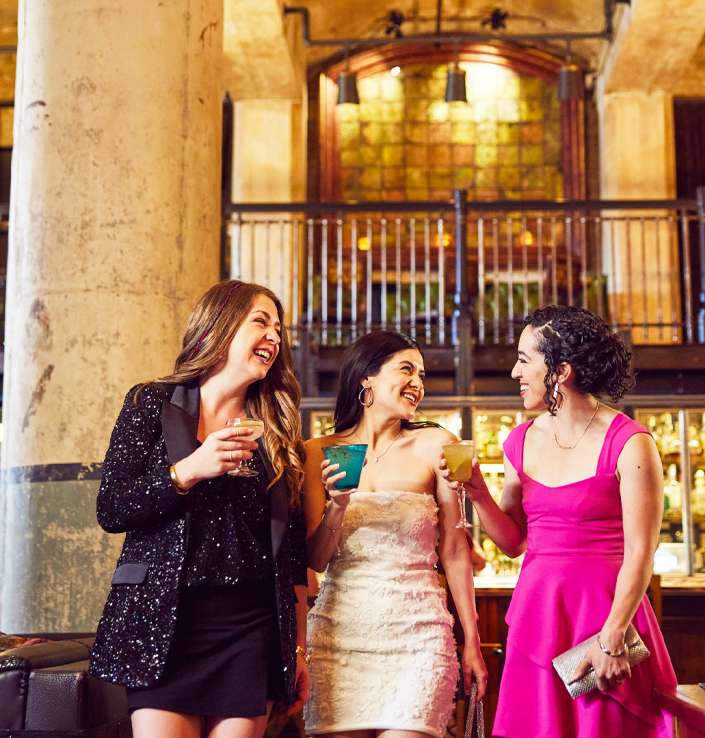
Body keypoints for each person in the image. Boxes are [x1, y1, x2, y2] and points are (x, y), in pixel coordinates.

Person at [89, 280, 309, 738]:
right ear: (220, 326)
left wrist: (298, 650)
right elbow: (112, 508)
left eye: (279, 328)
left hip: (250, 629)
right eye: (261, 322)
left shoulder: (278, 432)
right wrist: (188, 469)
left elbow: (291, 559)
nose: (275, 336)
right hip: (164, 625)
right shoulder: (150, 403)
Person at [446, 305, 676, 738]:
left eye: (524, 360)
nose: (514, 371)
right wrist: (477, 491)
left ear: (562, 370)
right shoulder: (519, 440)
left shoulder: (631, 443)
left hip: (606, 616)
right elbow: (513, 542)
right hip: (540, 615)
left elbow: (641, 553)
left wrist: (612, 636)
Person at [302, 330, 488, 738]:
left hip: (419, 637)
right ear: (365, 378)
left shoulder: (436, 445)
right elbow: (314, 560)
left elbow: (456, 551)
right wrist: (337, 505)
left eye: (421, 374)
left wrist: (471, 640)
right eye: (406, 369)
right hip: (338, 636)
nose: (417, 383)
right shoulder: (317, 452)